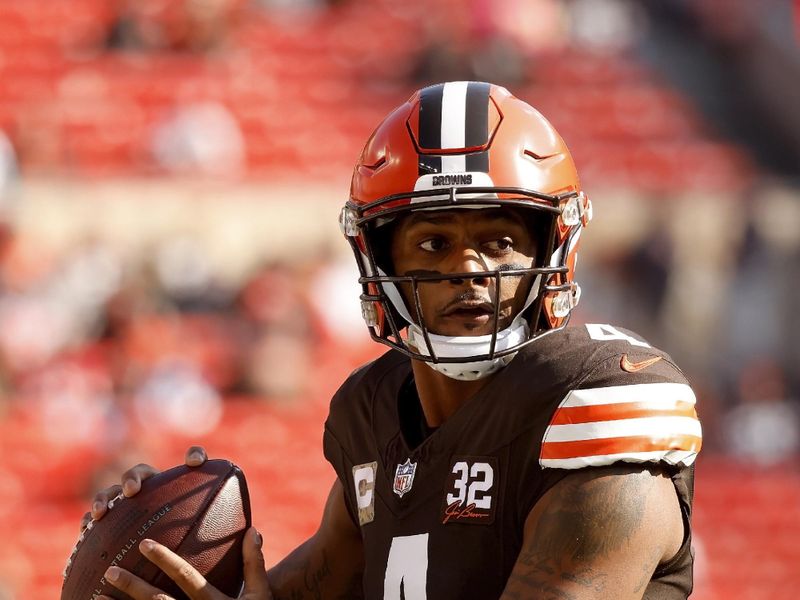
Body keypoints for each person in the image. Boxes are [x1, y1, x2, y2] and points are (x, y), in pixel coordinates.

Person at [82, 81, 702, 599]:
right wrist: (155, 557)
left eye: (500, 241)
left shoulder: (597, 403)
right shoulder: (373, 413)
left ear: (554, 246)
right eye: (433, 243)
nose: (469, 269)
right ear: (378, 259)